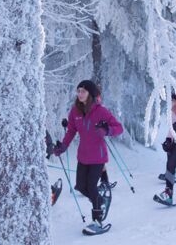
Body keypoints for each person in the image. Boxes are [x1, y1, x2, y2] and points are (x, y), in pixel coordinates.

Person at [53, 80, 124, 236]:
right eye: (78, 91)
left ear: (90, 94)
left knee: (91, 187)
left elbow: (119, 128)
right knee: (80, 186)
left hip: (98, 157)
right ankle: (100, 201)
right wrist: (63, 147)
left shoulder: (101, 111)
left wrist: (106, 131)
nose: (80, 94)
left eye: (83, 91)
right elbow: (71, 131)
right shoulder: (75, 112)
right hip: (83, 156)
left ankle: (98, 220)